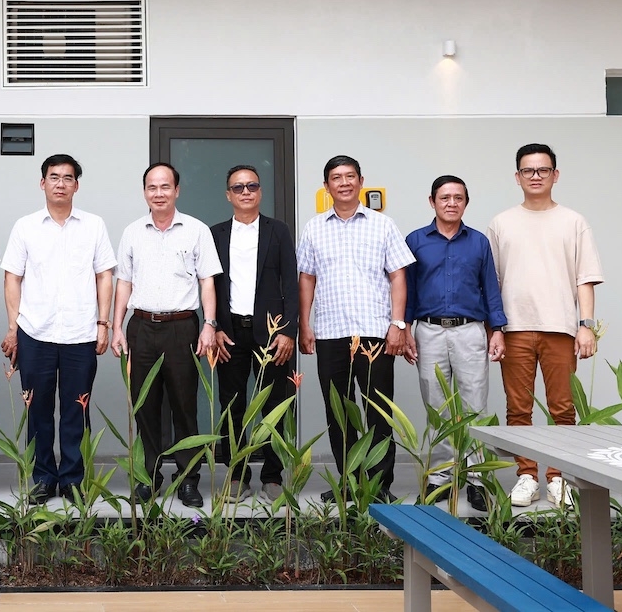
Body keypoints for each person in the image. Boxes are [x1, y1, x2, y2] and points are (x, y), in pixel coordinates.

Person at [487, 143, 603, 508]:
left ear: (555, 175)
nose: (535, 176)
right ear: (517, 177)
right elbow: (492, 281)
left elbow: (584, 278)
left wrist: (586, 325)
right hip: (514, 328)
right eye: (528, 170)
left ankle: (557, 477)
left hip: (560, 328)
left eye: (542, 170)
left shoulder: (574, 221)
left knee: (562, 408)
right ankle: (526, 475)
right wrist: (495, 328)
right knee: (518, 408)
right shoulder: (501, 223)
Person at [297, 155, 415, 502]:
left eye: (350, 176)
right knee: (339, 411)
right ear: (326, 186)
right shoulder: (314, 228)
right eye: (337, 177)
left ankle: (378, 486)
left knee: (378, 410)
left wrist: (398, 324)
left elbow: (398, 276)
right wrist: (305, 324)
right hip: (330, 333)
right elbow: (307, 278)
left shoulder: (383, 225)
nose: (344, 183)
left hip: (375, 332)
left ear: (361, 181)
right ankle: (348, 481)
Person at [1, 154, 116, 504]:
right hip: (35, 333)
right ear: (43, 183)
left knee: (76, 411)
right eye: (54, 177)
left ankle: (73, 481)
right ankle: (42, 480)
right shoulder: (25, 227)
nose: (60, 184)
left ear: (76, 186)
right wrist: (13, 328)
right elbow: (12, 278)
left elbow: (104, 276)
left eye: (68, 178)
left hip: (81, 333)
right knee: (37, 411)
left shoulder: (93, 225)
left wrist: (103, 323)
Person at [110, 162, 221, 507]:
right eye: (152, 187)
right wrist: (116, 326)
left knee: (184, 406)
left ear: (177, 190)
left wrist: (209, 324)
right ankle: (150, 477)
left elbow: (207, 281)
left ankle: (188, 480)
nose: (158, 193)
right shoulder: (132, 232)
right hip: (141, 327)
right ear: (145, 192)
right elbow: (124, 282)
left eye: (165, 187)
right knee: (146, 406)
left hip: (182, 327)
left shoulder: (197, 230)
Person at [404, 175, 507, 512]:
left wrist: (497, 330)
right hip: (429, 331)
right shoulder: (415, 241)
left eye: (458, 198)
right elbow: (408, 289)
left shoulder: (478, 242)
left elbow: (490, 288)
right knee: (437, 408)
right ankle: (440, 478)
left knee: (475, 406)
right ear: (432, 201)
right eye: (445, 197)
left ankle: (477, 479)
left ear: (466, 202)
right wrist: (405, 328)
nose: (451, 203)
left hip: (470, 332)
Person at [209, 164, 298, 504]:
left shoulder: (278, 231)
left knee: (274, 406)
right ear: (228, 195)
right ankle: (237, 474)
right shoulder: (215, 234)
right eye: (238, 187)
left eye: (251, 186)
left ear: (260, 192)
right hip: (230, 334)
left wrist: (288, 331)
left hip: (272, 334)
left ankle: (272, 476)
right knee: (232, 405)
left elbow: (290, 283)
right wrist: (215, 327)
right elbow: (208, 285)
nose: (245, 192)